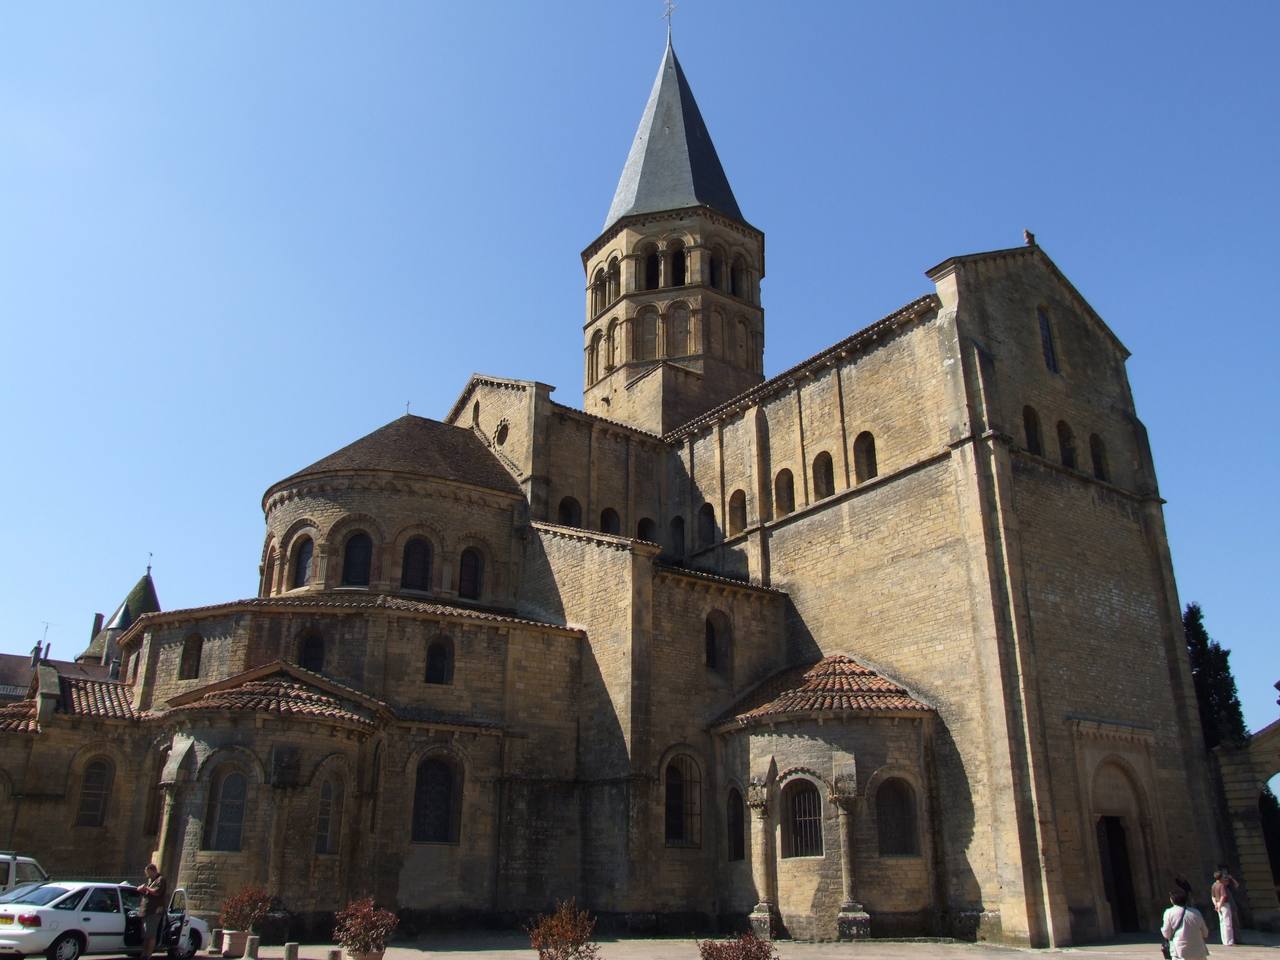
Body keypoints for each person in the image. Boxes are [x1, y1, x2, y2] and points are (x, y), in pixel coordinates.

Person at [1162, 888, 1210, 960]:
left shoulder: (1169, 913)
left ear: (1172, 900)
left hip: (1180, 950)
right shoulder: (1196, 912)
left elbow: (1167, 934)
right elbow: (1205, 933)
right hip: (1199, 950)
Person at [135, 863, 167, 959]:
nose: (147, 875)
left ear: (153, 871)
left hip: (154, 912)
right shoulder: (150, 880)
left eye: (148, 873)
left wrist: (146, 888)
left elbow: (157, 892)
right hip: (146, 911)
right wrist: (141, 889)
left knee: (151, 935)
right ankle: (144, 953)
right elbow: (147, 892)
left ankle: (148, 955)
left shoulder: (160, 880)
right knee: (145, 935)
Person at [1211, 867, 1240, 945]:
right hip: (1224, 905)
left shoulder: (1213, 885)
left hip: (1218, 904)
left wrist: (1216, 905)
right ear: (1221, 877)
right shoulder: (1221, 885)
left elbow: (1213, 897)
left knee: (1222, 923)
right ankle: (1229, 941)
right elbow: (1223, 896)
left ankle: (1224, 941)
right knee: (1228, 923)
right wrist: (1220, 905)